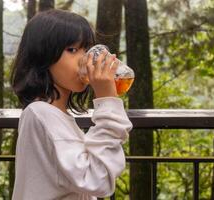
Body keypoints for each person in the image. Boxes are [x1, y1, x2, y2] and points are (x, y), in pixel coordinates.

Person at [10, 9, 133, 200]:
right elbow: (97, 179)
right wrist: (108, 100)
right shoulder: (41, 114)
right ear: (43, 55)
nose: (85, 60)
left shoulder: (53, 113)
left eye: (87, 49)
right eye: (72, 50)